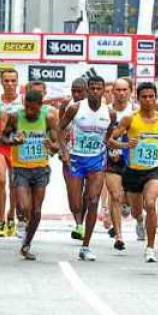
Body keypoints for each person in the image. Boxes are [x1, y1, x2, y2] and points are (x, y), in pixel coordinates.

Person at [110, 81, 158, 263]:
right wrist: (125, 145)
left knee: (151, 203)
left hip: (154, 170)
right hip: (133, 172)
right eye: (144, 97)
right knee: (138, 211)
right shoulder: (130, 119)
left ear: (156, 98)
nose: (148, 100)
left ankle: (150, 248)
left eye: (151, 96)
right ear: (138, 98)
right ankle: (139, 221)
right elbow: (111, 140)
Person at [2, 87, 61, 261]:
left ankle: (27, 243)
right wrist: (13, 140)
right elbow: (3, 138)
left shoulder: (48, 119)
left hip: (40, 169)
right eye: (26, 107)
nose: (29, 111)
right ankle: (24, 225)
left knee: (36, 210)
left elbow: (57, 145)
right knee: (23, 206)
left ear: (40, 106)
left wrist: (51, 145)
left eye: (33, 109)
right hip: (21, 169)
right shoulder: (16, 117)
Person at [58, 75, 111, 261]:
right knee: (76, 204)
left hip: (97, 161)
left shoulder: (109, 112)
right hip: (76, 160)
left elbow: (111, 133)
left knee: (94, 199)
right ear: (88, 90)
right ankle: (79, 216)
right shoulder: (75, 108)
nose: (96, 92)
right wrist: (64, 150)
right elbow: (60, 128)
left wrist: (108, 147)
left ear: (104, 91)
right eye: (93, 88)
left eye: (99, 89)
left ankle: (86, 245)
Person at [102, 77, 134, 251]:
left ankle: (130, 208)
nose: (121, 93)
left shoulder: (136, 111)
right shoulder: (105, 112)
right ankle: (119, 236)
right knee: (115, 196)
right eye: (118, 90)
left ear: (131, 91)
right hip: (112, 159)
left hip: (132, 160)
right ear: (112, 91)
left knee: (130, 200)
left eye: (125, 90)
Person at [60, 77, 90, 240]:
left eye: (80, 91)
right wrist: (61, 148)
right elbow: (58, 128)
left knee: (88, 193)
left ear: (87, 91)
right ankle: (78, 224)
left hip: (89, 156)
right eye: (74, 91)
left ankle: (82, 221)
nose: (77, 94)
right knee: (73, 191)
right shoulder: (66, 106)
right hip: (70, 156)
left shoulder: (94, 107)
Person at [0, 68, 22, 236]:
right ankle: (1, 220)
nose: (10, 84)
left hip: (18, 148)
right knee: (1, 178)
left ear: (17, 82)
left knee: (14, 184)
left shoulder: (23, 100)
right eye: (6, 81)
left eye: (13, 81)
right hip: (1, 146)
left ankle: (11, 216)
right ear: (1, 83)